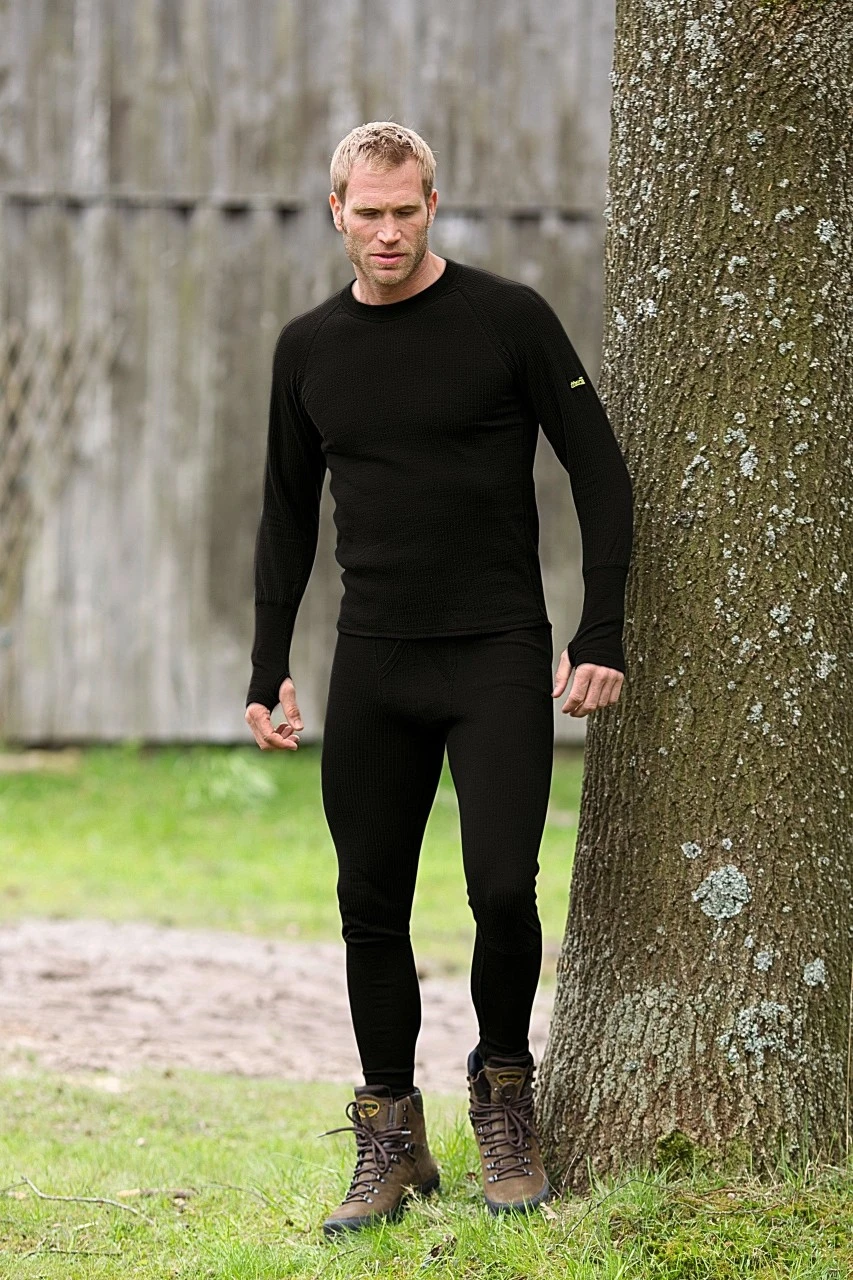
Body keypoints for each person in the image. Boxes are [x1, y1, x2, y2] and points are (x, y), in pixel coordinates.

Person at [244, 121, 633, 1237]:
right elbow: (284, 516)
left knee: (503, 889)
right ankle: (391, 1137)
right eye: (367, 212)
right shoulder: (308, 349)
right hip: (373, 658)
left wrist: (600, 631)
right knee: (368, 902)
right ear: (336, 212)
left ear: (431, 204)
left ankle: (504, 1096)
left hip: (496, 650)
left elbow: (600, 471)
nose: (387, 231)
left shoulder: (506, 319)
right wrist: (268, 666)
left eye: (405, 209)